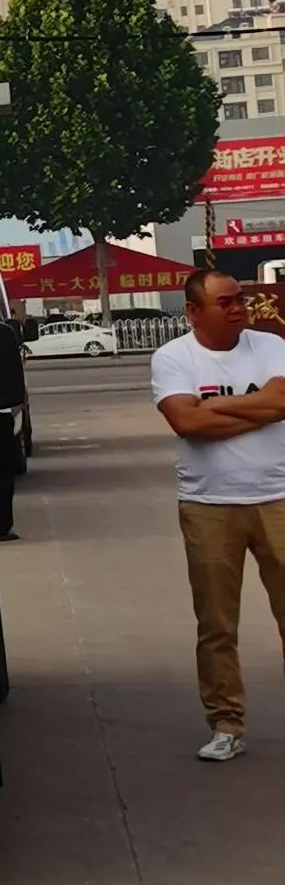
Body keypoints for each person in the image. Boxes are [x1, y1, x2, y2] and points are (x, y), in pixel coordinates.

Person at [152, 263, 285, 762]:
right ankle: (226, 724)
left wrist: (211, 411)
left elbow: (282, 402)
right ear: (193, 311)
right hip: (209, 505)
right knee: (217, 625)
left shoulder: (271, 345)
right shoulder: (173, 357)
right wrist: (258, 409)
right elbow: (186, 423)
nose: (237, 309)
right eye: (224, 302)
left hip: (278, 496)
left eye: (239, 299)